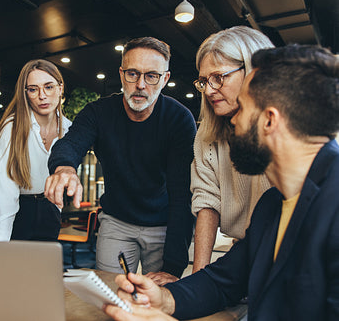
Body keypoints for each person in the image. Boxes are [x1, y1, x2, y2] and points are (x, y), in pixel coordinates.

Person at [104, 44, 339, 321]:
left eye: (243, 109)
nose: (234, 120)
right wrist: (164, 299)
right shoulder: (273, 205)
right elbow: (222, 281)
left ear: (269, 121)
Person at [45, 37, 196, 279]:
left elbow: (182, 195)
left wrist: (173, 267)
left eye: (152, 76)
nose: (141, 85)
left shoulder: (179, 119)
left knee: (157, 298)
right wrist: (64, 168)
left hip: (163, 224)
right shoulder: (98, 112)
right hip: (116, 221)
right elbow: (71, 143)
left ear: (165, 78)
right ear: (121, 73)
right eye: (133, 74)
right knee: (108, 294)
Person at [178, 26, 274, 279]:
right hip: (244, 252)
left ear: (253, 71)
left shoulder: (285, 129)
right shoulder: (206, 135)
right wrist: (199, 276)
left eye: (219, 77)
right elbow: (207, 203)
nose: (209, 90)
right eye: (204, 81)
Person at [0, 59, 71, 242]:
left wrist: (56, 210)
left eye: (48, 87)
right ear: (25, 93)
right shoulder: (12, 127)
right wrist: (0, 242)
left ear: (60, 88)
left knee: (44, 269)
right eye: (33, 89)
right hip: (16, 210)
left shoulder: (68, 129)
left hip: (49, 210)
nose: (42, 95)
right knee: (10, 269)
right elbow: (7, 192)